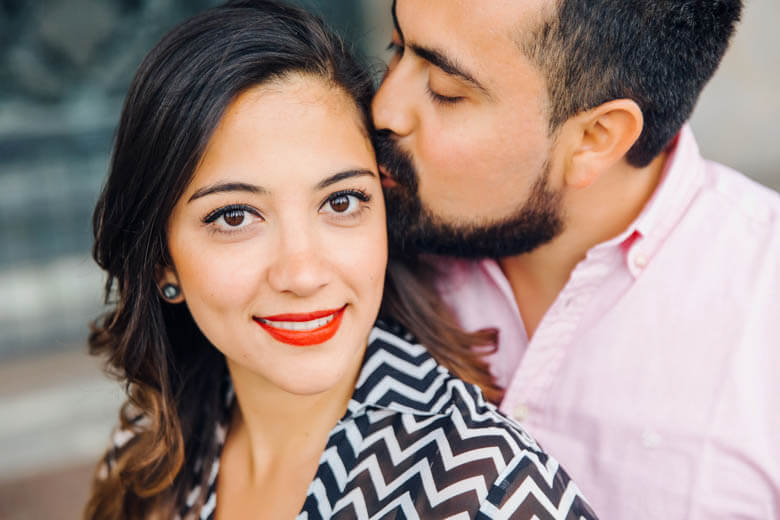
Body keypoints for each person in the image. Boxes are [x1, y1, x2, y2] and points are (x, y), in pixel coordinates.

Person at [84, 1, 598, 518]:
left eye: (341, 202)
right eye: (235, 217)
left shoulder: (486, 489)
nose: (303, 274)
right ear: (162, 262)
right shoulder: (152, 440)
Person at [372, 0, 780, 518]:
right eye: (395, 48)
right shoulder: (348, 236)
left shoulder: (767, 308)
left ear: (594, 139)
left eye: (446, 92)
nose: (384, 107)